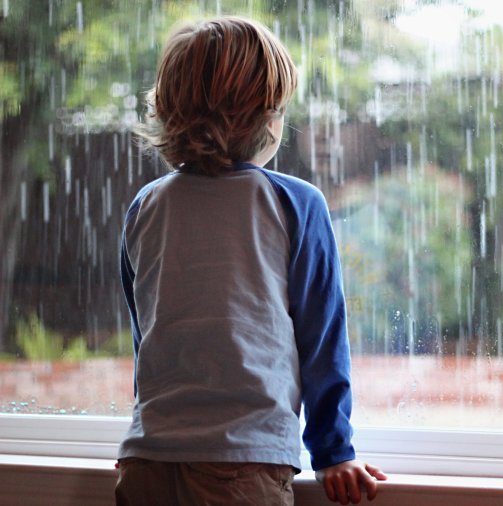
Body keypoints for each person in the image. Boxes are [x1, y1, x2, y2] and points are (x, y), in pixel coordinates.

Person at [115, 16, 386, 506]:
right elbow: (322, 337)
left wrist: (145, 428)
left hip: (147, 462)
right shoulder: (294, 204)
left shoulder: (145, 207)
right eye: (278, 108)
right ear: (262, 117)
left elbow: (150, 337)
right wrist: (334, 451)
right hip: (242, 463)